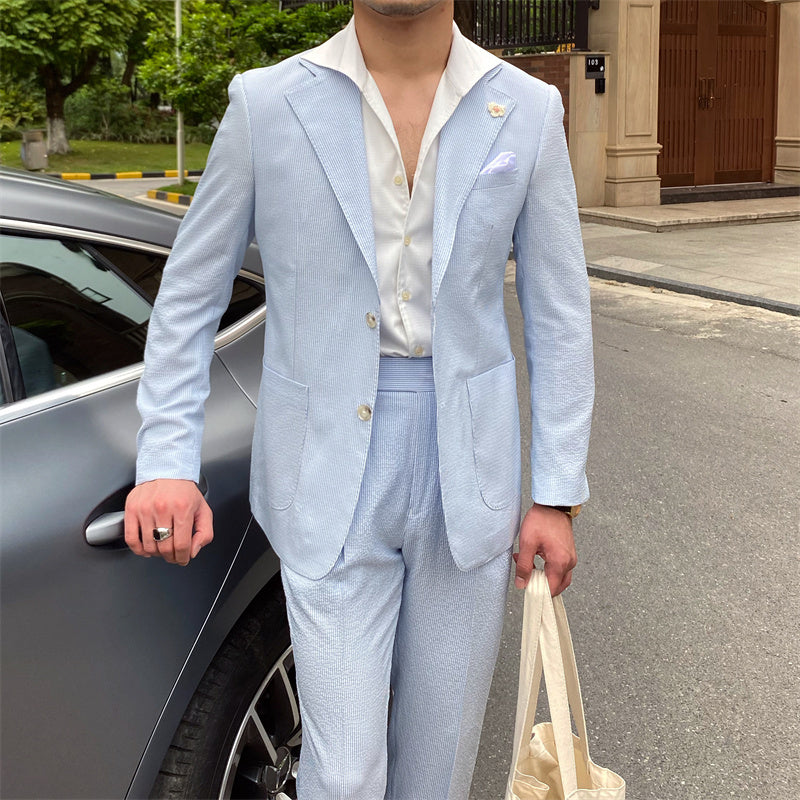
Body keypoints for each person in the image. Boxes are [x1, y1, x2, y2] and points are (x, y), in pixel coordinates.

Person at [124, 1, 594, 797]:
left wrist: (557, 494)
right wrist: (166, 457)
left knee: (440, 766)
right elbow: (188, 297)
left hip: (467, 471)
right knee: (342, 776)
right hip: (324, 470)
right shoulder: (267, 103)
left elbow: (559, 312)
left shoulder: (529, 108)